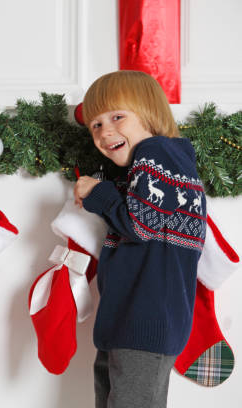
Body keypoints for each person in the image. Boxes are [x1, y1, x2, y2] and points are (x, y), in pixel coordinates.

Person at [73, 70, 207, 408]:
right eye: (96, 125)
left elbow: (140, 224)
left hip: (142, 322)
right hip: (129, 322)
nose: (105, 131)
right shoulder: (158, 166)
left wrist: (98, 192)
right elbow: (149, 219)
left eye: (117, 116)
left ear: (149, 111)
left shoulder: (157, 152)